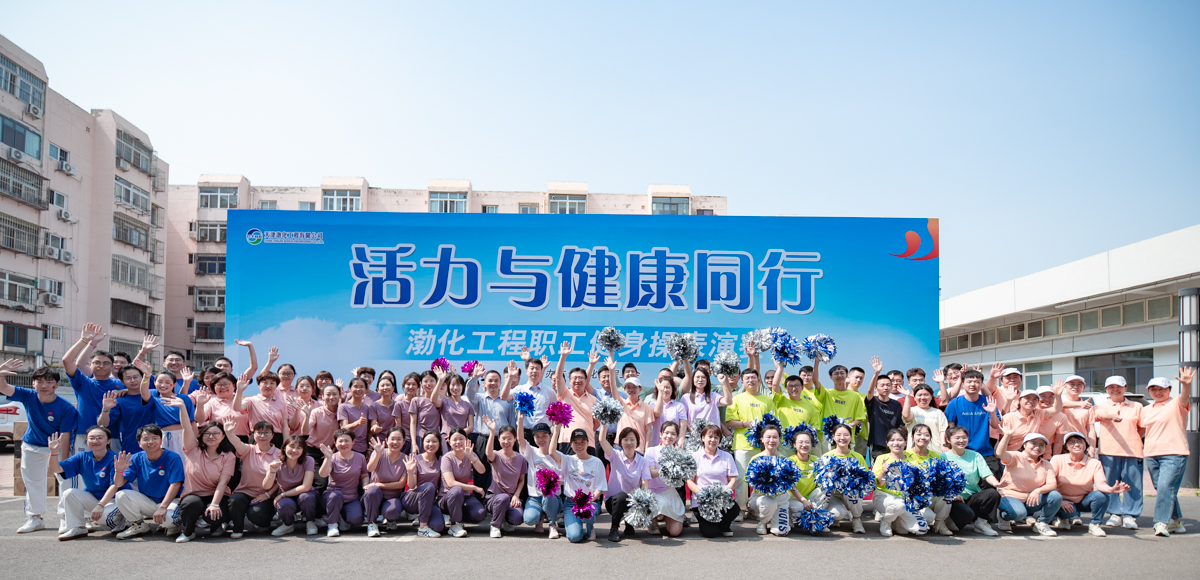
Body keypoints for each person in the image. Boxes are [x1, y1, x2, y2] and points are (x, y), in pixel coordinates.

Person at [0, 360, 79, 534]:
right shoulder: (28, 396)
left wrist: (64, 462)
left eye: (49, 382)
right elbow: (4, 388)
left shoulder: (66, 408)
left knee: (65, 481)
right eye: (40, 381)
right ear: (33, 383)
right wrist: (1, 374)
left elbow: (66, 435)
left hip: (58, 447)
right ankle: (35, 518)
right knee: (33, 482)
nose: (44, 385)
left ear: (57, 385)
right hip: (32, 445)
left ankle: (66, 517)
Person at [163, 397, 234, 542]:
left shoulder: (228, 456)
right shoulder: (192, 449)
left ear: (223, 437)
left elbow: (223, 483)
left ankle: (216, 525)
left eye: (216, 433)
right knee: (191, 504)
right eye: (207, 433)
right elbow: (186, 428)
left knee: (217, 511)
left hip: (216, 494)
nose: (211, 436)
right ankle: (188, 532)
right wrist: (182, 408)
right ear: (201, 436)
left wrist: (214, 504)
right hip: (194, 493)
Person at [46, 426, 127, 541]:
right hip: (96, 499)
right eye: (91, 438)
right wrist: (54, 452)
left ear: (108, 440)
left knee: (103, 519)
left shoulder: (116, 459)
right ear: (87, 441)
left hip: (115, 500)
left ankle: (124, 519)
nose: (95, 441)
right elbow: (55, 469)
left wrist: (100, 505)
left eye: (100, 438)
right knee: (69, 493)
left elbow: (115, 485)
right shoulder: (82, 457)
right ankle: (77, 527)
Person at [108, 425, 186, 539]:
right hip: (149, 501)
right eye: (146, 439)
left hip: (170, 501)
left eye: (155, 438)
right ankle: (139, 526)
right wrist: (119, 471)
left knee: (169, 520)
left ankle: (173, 525)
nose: (151, 442)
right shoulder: (137, 458)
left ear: (161, 441)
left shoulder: (173, 457)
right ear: (139, 443)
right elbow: (119, 484)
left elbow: (176, 484)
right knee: (121, 494)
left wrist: (163, 507)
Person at [1141, 369, 1194, 536]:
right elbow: (1141, 430)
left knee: (1165, 487)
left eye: (1162, 389)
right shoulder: (1146, 409)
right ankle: (1176, 522)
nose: (1157, 392)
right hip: (1152, 454)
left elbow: (1185, 396)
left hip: (1174, 453)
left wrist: (1186, 385)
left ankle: (1161, 522)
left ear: (1169, 389)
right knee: (1164, 488)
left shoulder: (1177, 403)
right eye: (1153, 389)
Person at [1050, 431, 1129, 537]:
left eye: (1080, 441)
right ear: (1066, 447)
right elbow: (1049, 482)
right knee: (1061, 505)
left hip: (1084, 500)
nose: (1076, 444)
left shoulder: (1095, 463)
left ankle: (1095, 524)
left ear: (1085, 445)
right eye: (1072, 442)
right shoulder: (1057, 459)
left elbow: (1100, 484)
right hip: (1063, 501)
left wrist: (1111, 489)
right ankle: (1063, 518)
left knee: (1101, 496)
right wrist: (1060, 501)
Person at [62, 324, 124, 455]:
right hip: (84, 435)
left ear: (112, 366)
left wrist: (128, 391)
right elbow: (67, 360)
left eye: (106, 363)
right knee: (83, 468)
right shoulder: (82, 382)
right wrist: (85, 341)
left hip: (111, 436)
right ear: (90, 365)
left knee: (112, 468)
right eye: (97, 362)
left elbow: (141, 391)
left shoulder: (121, 384)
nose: (101, 366)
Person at [1093, 375, 1143, 530]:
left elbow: (1142, 427)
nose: (1115, 390)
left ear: (1125, 388)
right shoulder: (1100, 406)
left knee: (1133, 484)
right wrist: (1113, 416)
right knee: (1110, 483)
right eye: (1111, 387)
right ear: (1106, 390)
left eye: (1119, 387)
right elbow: (1099, 416)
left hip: (1132, 451)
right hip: (1108, 451)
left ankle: (1130, 515)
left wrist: (1132, 438)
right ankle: (1114, 513)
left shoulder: (1137, 406)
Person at [725, 364, 776, 518]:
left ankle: (756, 509)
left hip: (763, 446)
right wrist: (747, 424)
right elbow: (729, 421)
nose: (751, 380)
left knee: (762, 477)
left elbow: (773, 423)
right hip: (742, 445)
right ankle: (740, 509)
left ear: (759, 380)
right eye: (747, 378)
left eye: (754, 378)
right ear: (742, 382)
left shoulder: (767, 400)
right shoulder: (736, 399)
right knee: (742, 478)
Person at [995, 429, 1061, 536]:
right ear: (1024, 445)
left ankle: (1042, 523)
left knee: (1055, 496)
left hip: (1031, 499)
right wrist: (1006, 436)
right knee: (1019, 514)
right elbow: (1000, 453)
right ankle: (1004, 517)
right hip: (1009, 496)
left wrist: (1038, 491)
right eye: (1033, 443)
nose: (1037, 447)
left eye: (1041, 445)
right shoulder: (1016, 456)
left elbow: (1052, 484)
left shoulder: (1046, 464)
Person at [225, 420, 282, 538]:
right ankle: (238, 529)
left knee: (256, 514)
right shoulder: (248, 450)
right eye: (259, 432)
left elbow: (281, 480)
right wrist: (229, 433)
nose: (262, 436)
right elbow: (237, 443)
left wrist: (268, 495)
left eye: (266, 432)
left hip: (267, 494)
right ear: (253, 435)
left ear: (272, 435)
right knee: (235, 501)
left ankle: (264, 523)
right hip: (246, 491)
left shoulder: (279, 454)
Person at [941, 425, 1000, 536]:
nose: (961, 440)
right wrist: (952, 493)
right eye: (957, 438)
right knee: (964, 518)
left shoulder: (976, 456)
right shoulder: (943, 457)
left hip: (972, 496)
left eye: (964, 437)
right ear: (948, 440)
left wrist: (996, 483)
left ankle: (981, 524)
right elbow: (940, 481)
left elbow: (987, 474)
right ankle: (948, 519)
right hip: (954, 498)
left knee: (992, 493)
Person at [466, 364, 516, 493]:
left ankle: (501, 498)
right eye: (490, 380)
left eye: (496, 380)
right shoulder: (479, 399)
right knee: (481, 472)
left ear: (500, 383)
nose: (493, 383)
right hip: (483, 440)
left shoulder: (507, 400)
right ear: (485, 383)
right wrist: (475, 377)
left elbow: (511, 422)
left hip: (502, 441)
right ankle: (479, 498)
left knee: (502, 472)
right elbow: (469, 393)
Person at [597, 424, 651, 542]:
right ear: (620, 442)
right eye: (625, 439)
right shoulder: (615, 455)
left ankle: (629, 523)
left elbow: (645, 484)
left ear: (637, 442)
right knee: (622, 496)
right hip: (614, 502)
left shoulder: (643, 461)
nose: (629, 442)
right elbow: (601, 440)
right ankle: (614, 529)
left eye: (632, 439)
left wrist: (644, 503)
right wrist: (605, 422)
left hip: (632, 503)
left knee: (646, 501)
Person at [872, 428, 928, 537]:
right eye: (892, 440)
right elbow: (879, 484)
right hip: (884, 496)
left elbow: (917, 484)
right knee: (899, 505)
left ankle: (897, 520)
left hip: (905, 499)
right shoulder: (881, 458)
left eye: (900, 440)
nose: (896, 443)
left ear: (906, 442)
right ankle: (886, 521)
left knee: (921, 529)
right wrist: (883, 472)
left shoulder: (913, 461)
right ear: (887, 443)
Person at [944, 369, 1002, 476]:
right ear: (963, 384)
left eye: (977, 382)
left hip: (985, 452)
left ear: (981, 384)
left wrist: (992, 412)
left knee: (991, 482)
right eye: (969, 381)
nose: (973, 384)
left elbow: (995, 425)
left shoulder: (988, 401)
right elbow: (950, 427)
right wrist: (947, 446)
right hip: (961, 452)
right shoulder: (954, 403)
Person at [362, 427, 418, 537]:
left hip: (393, 497)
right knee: (372, 491)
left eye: (399, 439)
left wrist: (377, 484)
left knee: (392, 512)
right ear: (387, 441)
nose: (395, 442)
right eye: (392, 439)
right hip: (376, 494)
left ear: (404, 442)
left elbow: (401, 484)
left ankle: (390, 519)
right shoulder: (379, 452)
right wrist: (378, 454)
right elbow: (370, 468)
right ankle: (372, 523)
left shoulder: (406, 459)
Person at [688, 422, 740, 537]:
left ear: (720, 440)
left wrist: (723, 493)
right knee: (710, 533)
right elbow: (689, 481)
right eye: (710, 436)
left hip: (722, 499)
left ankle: (724, 526)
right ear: (703, 438)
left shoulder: (727, 456)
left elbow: (733, 480)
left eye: (716, 437)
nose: (713, 440)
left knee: (735, 509)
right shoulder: (695, 456)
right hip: (702, 501)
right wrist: (701, 494)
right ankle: (714, 526)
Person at [516, 417, 564, 538]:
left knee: (548, 495)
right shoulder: (532, 452)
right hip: (535, 497)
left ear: (550, 436)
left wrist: (554, 483)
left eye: (544, 436)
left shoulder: (559, 456)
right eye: (537, 436)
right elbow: (520, 439)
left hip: (553, 498)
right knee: (529, 519)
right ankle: (540, 517)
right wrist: (520, 420)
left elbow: (564, 479)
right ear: (533, 438)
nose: (541, 439)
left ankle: (552, 525)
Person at [317, 429, 370, 537]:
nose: (343, 444)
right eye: (340, 441)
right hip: (332, 497)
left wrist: (365, 485)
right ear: (335, 443)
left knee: (356, 519)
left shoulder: (360, 457)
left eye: (347, 441)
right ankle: (332, 524)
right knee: (336, 495)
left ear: (353, 442)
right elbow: (323, 474)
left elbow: (364, 475)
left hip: (351, 498)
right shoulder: (332, 457)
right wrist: (328, 458)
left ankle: (341, 516)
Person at [482, 417, 527, 538]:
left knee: (518, 518)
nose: (506, 441)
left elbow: (521, 480)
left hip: (511, 498)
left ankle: (505, 519)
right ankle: (495, 526)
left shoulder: (521, 459)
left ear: (515, 439)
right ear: (499, 439)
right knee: (503, 498)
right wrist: (492, 431)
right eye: (503, 438)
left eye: (509, 438)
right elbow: (488, 453)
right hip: (495, 498)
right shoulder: (496, 455)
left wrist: (516, 495)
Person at [265, 435, 318, 536]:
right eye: (292, 446)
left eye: (299, 448)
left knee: (306, 497)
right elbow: (266, 486)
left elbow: (306, 487)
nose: (294, 450)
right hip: (287, 498)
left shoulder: (308, 460)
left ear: (303, 450)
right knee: (285, 504)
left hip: (304, 494)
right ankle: (288, 525)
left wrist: (282, 495)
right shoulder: (277, 463)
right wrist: (271, 472)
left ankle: (310, 522)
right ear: (284, 448)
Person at [439, 428, 488, 537]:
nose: (458, 442)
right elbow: (451, 483)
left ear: (466, 440)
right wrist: (474, 488)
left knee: (480, 514)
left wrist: (471, 457)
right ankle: (455, 524)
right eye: (454, 439)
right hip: (448, 496)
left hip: (464, 496)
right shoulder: (447, 458)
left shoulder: (470, 454)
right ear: (449, 442)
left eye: (461, 439)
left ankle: (456, 516)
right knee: (457, 490)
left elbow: (482, 470)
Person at [819, 422, 867, 533]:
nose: (842, 438)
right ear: (833, 437)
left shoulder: (858, 456)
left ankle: (857, 519)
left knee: (855, 491)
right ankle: (833, 518)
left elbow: (865, 478)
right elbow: (820, 481)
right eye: (839, 435)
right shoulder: (827, 456)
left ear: (851, 436)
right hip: (833, 495)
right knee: (838, 514)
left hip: (849, 493)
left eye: (846, 435)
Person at [813, 362, 867, 459]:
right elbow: (815, 381)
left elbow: (860, 418)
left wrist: (847, 426)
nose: (839, 375)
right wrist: (817, 362)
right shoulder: (827, 393)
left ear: (847, 376)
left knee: (848, 464)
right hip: (829, 436)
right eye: (836, 373)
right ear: (831, 377)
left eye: (842, 373)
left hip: (847, 436)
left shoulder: (855, 396)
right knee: (828, 463)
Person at [562, 427, 607, 542]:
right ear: (571, 444)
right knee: (574, 537)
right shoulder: (568, 460)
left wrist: (589, 501)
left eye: (582, 442)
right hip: (571, 503)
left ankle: (590, 526)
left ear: (588, 443)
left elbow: (600, 488)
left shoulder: (597, 462)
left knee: (588, 514)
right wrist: (557, 429)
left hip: (590, 502)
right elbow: (552, 452)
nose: (579, 446)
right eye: (575, 442)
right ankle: (577, 528)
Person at [552, 344, 599, 454]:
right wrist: (563, 356)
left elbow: (596, 423)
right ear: (569, 381)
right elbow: (558, 377)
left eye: (581, 378)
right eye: (575, 378)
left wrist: (586, 430)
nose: (578, 380)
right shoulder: (564, 394)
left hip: (588, 442)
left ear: (586, 381)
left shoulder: (593, 399)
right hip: (567, 441)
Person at [905, 424, 952, 535]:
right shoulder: (905, 455)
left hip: (930, 495)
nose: (923, 437)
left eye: (926, 435)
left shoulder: (935, 456)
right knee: (927, 517)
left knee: (948, 493)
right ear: (912, 437)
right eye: (919, 434)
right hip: (912, 497)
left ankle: (939, 523)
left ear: (930, 438)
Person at [767, 360, 820, 457]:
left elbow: (814, 428)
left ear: (802, 387)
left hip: (801, 446)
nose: (794, 389)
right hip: (784, 445)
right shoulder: (781, 400)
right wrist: (781, 365)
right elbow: (775, 385)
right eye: (790, 386)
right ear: (786, 389)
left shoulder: (810, 407)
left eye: (797, 386)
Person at [747, 424, 793, 536]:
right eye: (768, 437)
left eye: (775, 437)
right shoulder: (756, 459)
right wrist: (766, 485)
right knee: (769, 502)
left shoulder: (785, 460)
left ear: (779, 439)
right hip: (761, 498)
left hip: (780, 498)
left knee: (781, 531)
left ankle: (774, 519)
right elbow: (750, 483)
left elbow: (790, 483)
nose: (771, 440)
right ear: (762, 439)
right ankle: (763, 521)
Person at [644, 420, 687, 537]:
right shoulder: (651, 451)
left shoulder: (679, 454)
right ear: (660, 434)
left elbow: (683, 477)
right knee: (661, 504)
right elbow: (651, 473)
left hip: (669, 492)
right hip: (653, 492)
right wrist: (667, 468)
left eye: (673, 434)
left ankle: (665, 517)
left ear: (677, 437)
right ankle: (652, 520)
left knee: (675, 532)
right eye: (666, 433)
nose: (669, 436)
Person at [234, 369, 296, 447]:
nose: (268, 386)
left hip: (276, 439)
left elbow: (285, 426)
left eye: (272, 383)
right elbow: (237, 407)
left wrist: (286, 444)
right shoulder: (251, 400)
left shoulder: (281, 403)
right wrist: (239, 391)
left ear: (276, 386)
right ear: (259, 384)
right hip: (257, 437)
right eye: (265, 383)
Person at [504, 352, 555, 444]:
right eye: (532, 368)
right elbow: (504, 396)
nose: (534, 371)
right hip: (524, 433)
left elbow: (555, 412)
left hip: (543, 434)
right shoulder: (520, 389)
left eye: (537, 368)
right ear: (526, 371)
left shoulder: (549, 391)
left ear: (542, 371)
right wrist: (510, 377)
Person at [413, 426, 452, 536]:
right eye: (428, 441)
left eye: (434, 441)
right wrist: (410, 472)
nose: (431, 444)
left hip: (431, 500)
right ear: (422, 443)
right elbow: (411, 485)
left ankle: (424, 516)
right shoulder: (416, 459)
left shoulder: (442, 460)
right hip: (415, 498)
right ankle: (422, 527)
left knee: (438, 527)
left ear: (439, 444)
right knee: (429, 486)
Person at [301, 384, 342, 489]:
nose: (331, 397)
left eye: (334, 394)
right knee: (321, 483)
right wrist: (307, 415)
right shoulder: (316, 412)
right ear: (322, 397)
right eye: (328, 394)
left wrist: (333, 450)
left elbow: (342, 434)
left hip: (330, 452)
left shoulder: (342, 412)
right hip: (312, 451)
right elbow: (305, 431)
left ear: (340, 395)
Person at [784, 428, 822, 531]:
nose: (804, 445)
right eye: (800, 442)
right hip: (792, 497)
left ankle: (817, 518)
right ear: (794, 445)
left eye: (807, 442)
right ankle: (789, 516)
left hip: (810, 497)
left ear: (812, 444)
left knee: (825, 490)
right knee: (799, 507)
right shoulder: (789, 461)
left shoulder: (817, 461)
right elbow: (790, 485)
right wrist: (803, 500)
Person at [864, 357, 902, 461]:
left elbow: (899, 425)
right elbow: (869, 392)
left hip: (893, 443)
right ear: (876, 388)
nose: (886, 387)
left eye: (888, 385)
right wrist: (876, 373)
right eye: (882, 385)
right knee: (879, 469)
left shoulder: (897, 404)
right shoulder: (873, 401)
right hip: (877, 443)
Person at [151, 369, 194, 455]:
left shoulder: (184, 398)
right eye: (160, 382)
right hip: (161, 436)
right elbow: (141, 392)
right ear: (155, 383)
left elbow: (192, 422)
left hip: (183, 436)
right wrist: (126, 390)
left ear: (174, 384)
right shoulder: (153, 398)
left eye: (168, 382)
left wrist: (195, 441)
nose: (163, 385)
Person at [903, 383, 948, 451]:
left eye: (926, 395)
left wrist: (943, 445)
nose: (923, 397)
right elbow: (906, 416)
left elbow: (942, 430)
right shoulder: (912, 411)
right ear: (914, 397)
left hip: (935, 450)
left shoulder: (938, 412)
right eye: (919, 395)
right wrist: (907, 396)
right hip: (914, 451)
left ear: (931, 397)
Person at [337, 377, 376, 455]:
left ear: (365, 390)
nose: (358, 389)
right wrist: (358, 423)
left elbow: (368, 431)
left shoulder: (367, 408)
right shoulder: (343, 407)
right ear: (350, 389)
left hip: (363, 448)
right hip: (348, 447)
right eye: (355, 386)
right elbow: (344, 428)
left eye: (361, 387)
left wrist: (370, 448)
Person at [438, 370, 475, 450]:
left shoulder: (468, 405)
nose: (455, 388)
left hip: (462, 439)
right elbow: (433, 400)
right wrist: (440, 381)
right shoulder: (444, 401)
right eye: (453, 384)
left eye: (458, 385)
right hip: (446, 438)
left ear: (463, 387)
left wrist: (457, 435)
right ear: (448, 387)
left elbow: (471, 427)